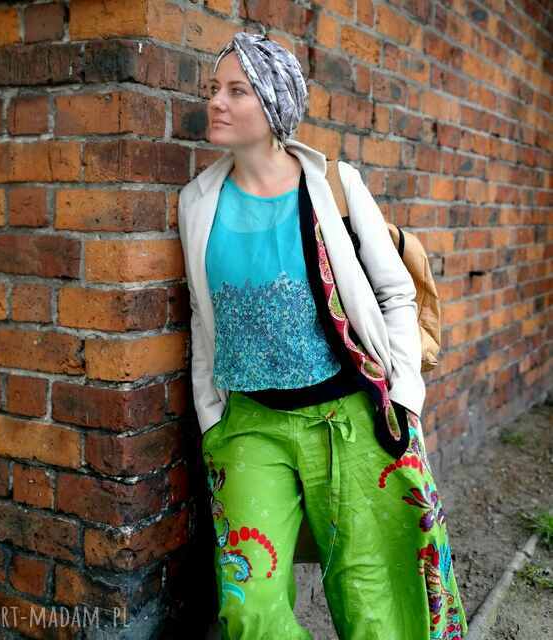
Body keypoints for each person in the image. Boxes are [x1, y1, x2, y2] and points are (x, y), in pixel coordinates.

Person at [178, 31, 468, 640]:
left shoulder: (334, 186)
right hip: (250, 427)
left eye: (236, 91)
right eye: (214, 89)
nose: (216, 102)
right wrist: (211, 420)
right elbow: (203, 318)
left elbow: (396, 293)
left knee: (378, 609)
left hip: (353, 424)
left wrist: (405, 398)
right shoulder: (197, 202)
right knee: (249, 609)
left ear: (274, 106)